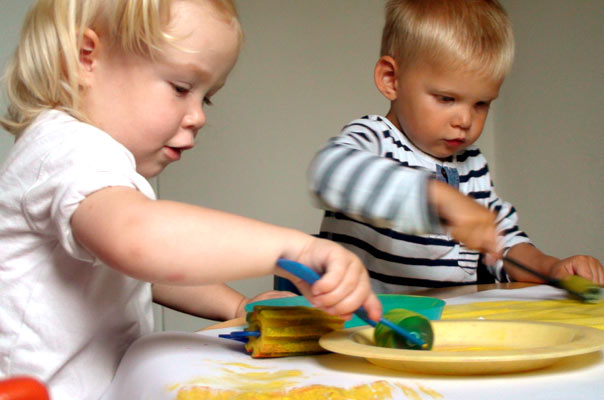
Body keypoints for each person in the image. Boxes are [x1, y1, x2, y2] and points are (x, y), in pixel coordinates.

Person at [0, 1, 381, 398]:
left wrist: (238, 307)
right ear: (86, 58)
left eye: (206, 98)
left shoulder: (94, 171)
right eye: (181, 88)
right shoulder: (67, 147)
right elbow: (140, 243)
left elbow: (135, 275)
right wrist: (296, 248)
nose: (197, 116)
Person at [307, 0, 604, 294]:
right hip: (367, 326)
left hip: (446, 330)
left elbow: (504, 245)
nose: (465, 120)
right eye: (446, 99)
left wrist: (551, 268)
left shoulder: (472, 166)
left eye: (481, 103)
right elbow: (330, 173)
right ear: (391, 79)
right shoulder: (374, 138)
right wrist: (436, 198)